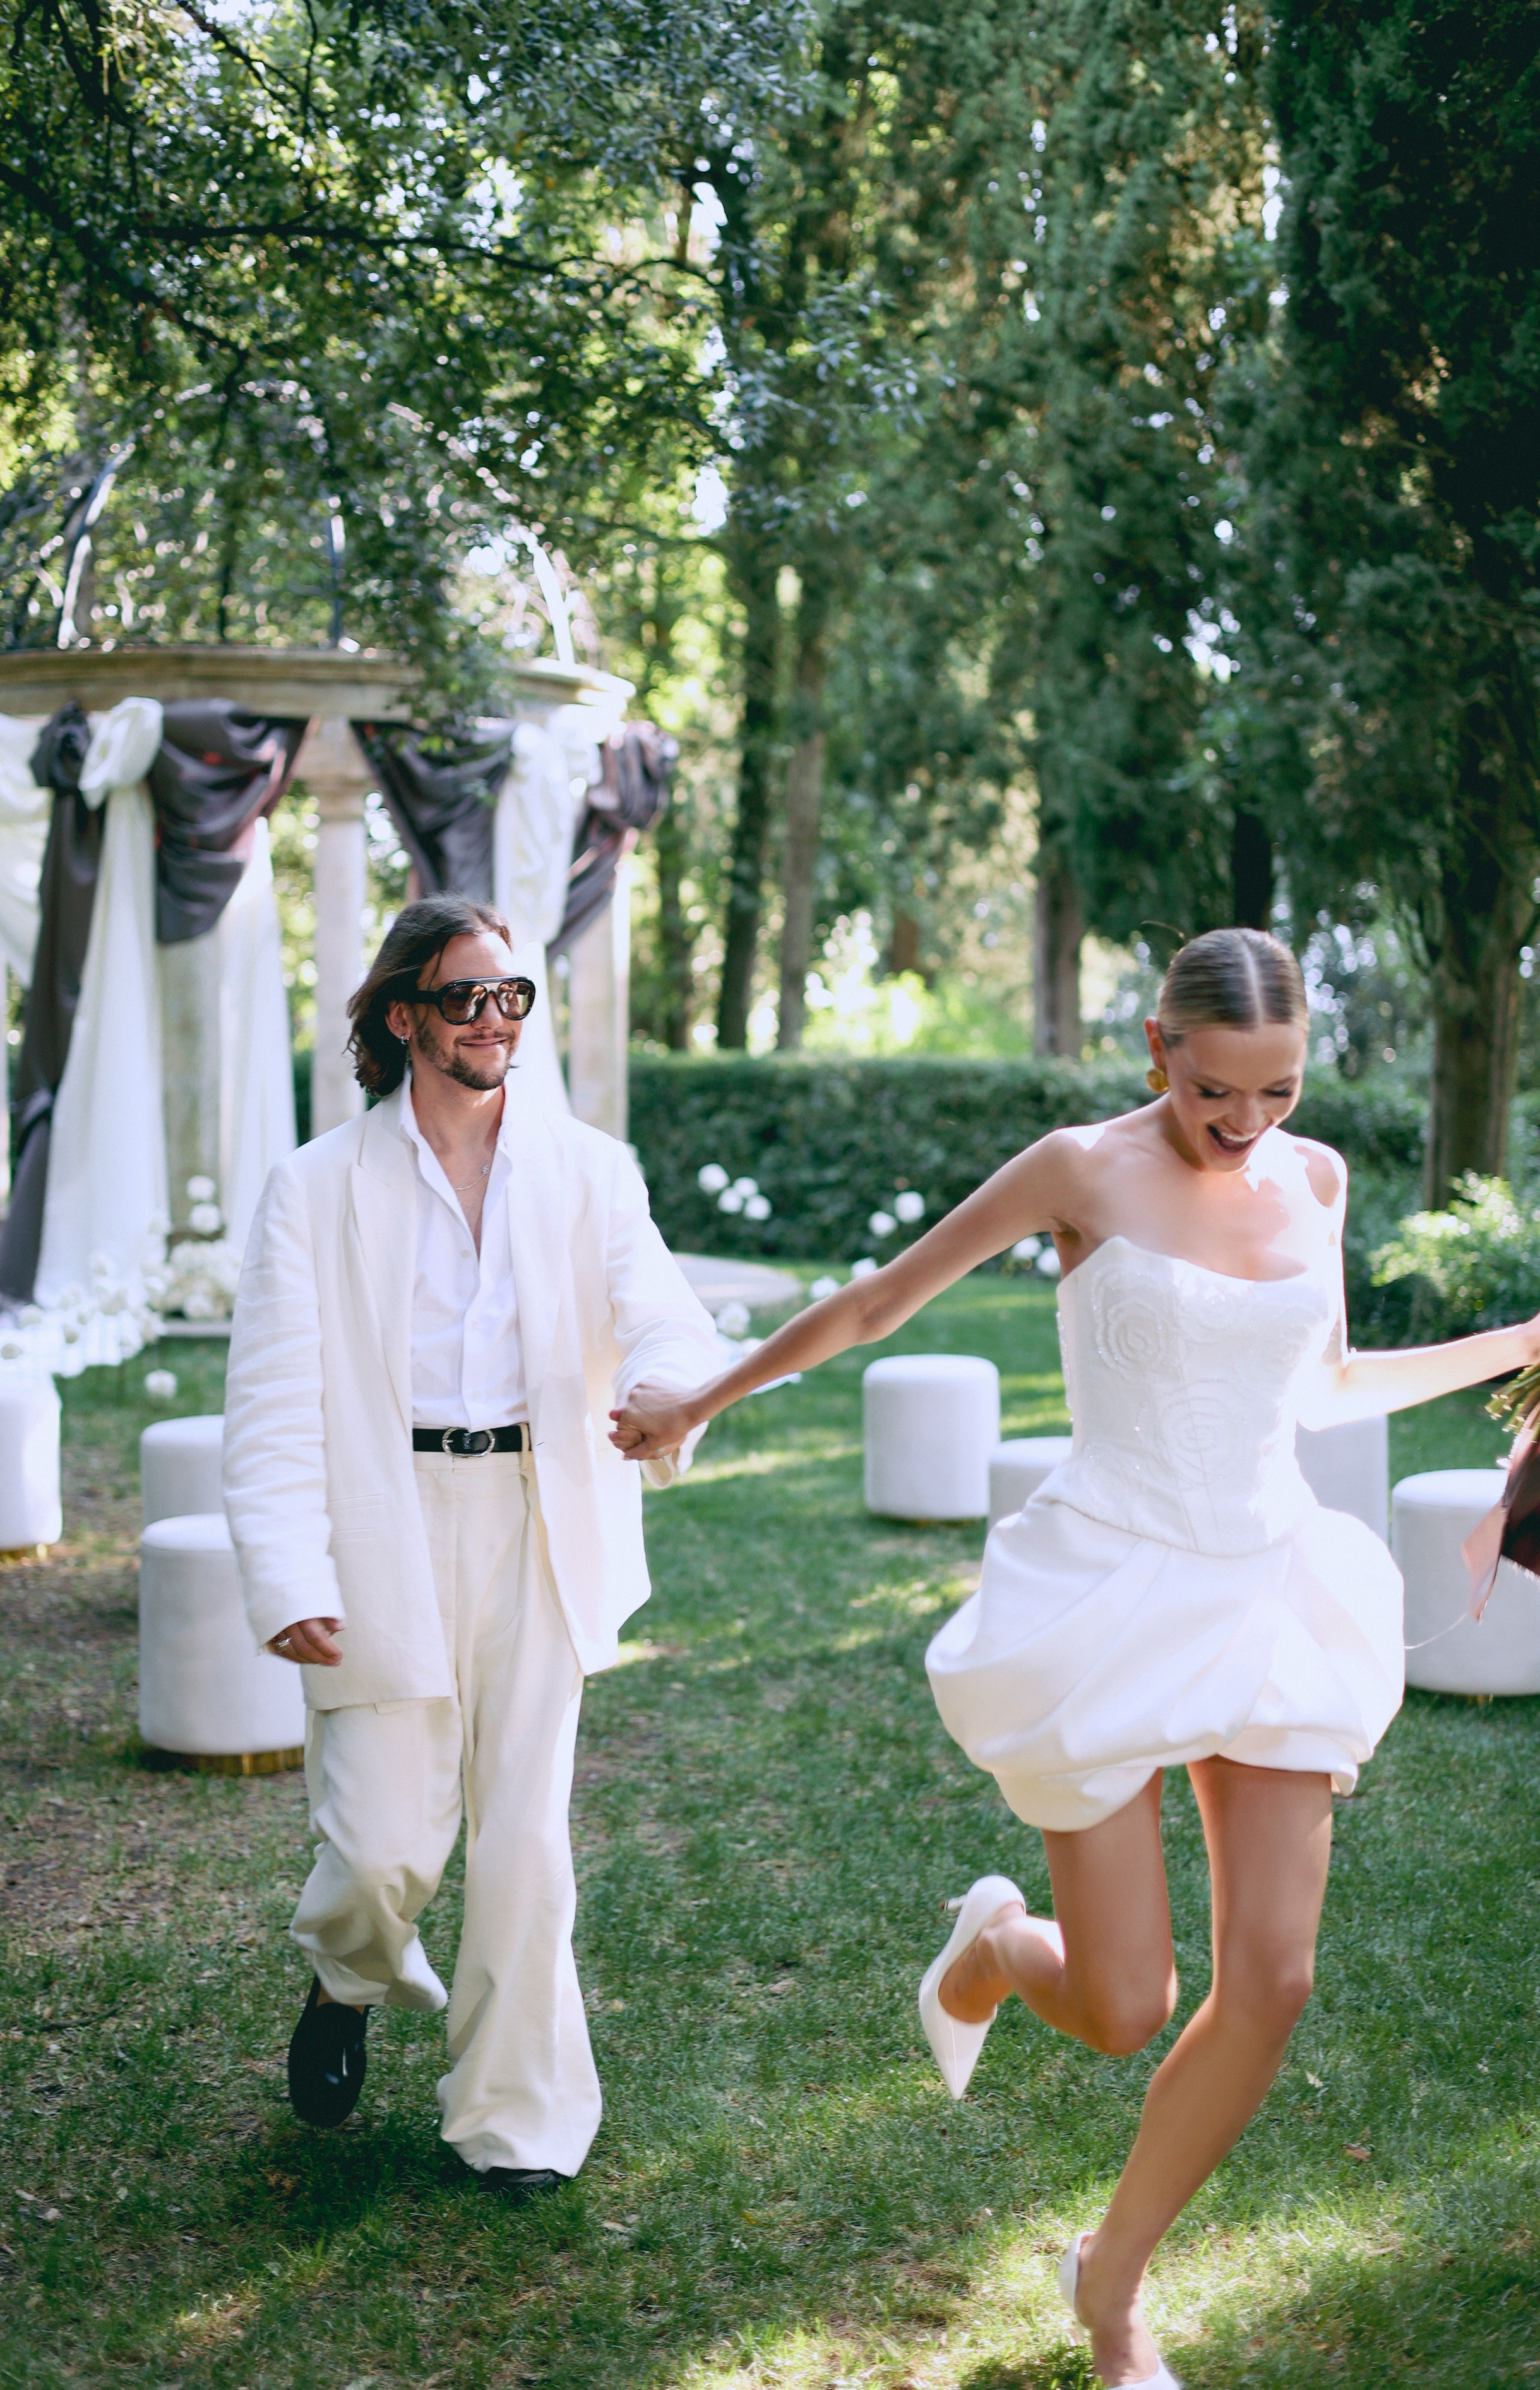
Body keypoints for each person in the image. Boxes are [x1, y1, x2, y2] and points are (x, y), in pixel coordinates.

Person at [609, 927, 1540, 2388]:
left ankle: (1108, 2288)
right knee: (1121, 2010)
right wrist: (702, 1400)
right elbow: (874, 1303)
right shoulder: (1074, 1171)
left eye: (1277, 1093)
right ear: (1157, 1047)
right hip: (1109, 1583)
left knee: (1273, 1982)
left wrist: (1526, 1340)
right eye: (1214, 1092)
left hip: (1271, 1581)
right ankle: (990, 1943)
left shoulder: (1314, 1180)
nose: (1244, 1126)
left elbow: (1332, 1386)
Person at [224, 895, 719, 2197]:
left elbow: (660, 1312)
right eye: (464, 998)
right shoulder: (314, 1186)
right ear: (403, 1017)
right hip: (379, 1524)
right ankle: (346, 1976)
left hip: (538, 1515)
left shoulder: (589, 1171)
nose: (493, 1019)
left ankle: (511, 2119)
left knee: (521, 1840)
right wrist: (286, 1573)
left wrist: (664, 1388)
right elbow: (272, 1400)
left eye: (511, 997)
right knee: (384, 1840)